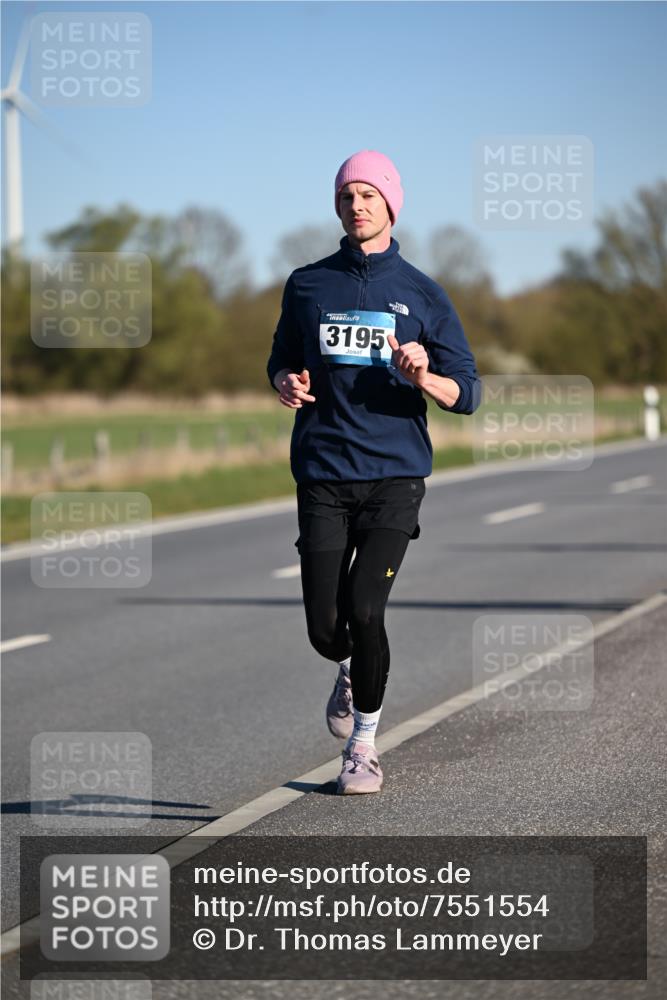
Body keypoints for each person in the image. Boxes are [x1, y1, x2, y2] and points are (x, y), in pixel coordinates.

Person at [267, 150, 480, 795]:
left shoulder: (422, 293)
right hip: (324, 472)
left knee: (366, 608)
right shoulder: (306, 285)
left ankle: (363, 746)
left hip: (395, 475)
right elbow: (279, 359)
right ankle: (349, 666)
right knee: (326, 629)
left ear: (391, 204)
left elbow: (466, 393)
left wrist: (425, 376)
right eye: (346, 195)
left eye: (368, 194)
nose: (356, 205)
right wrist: (285, 381)